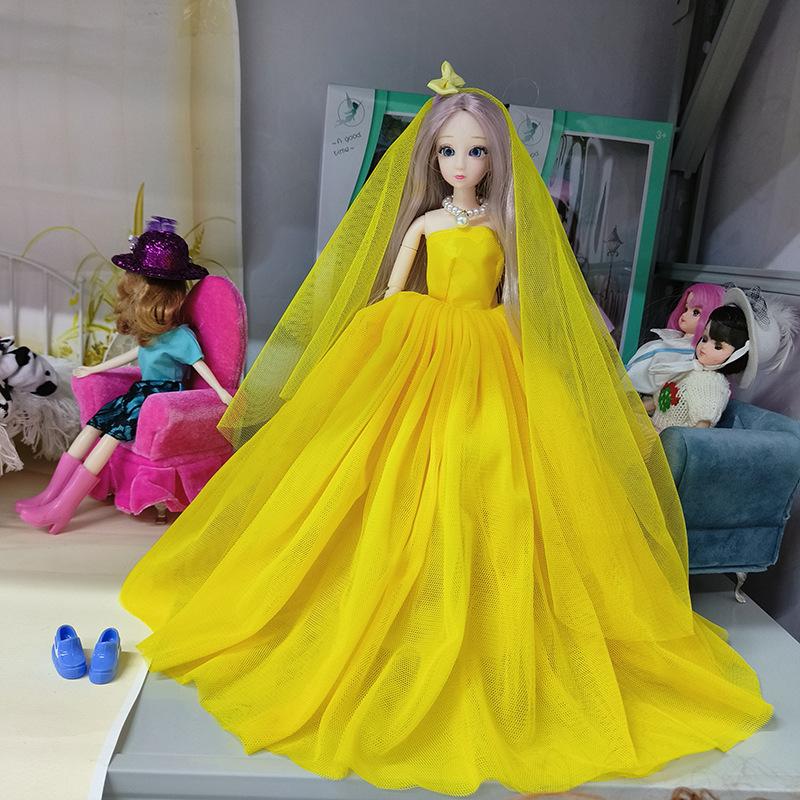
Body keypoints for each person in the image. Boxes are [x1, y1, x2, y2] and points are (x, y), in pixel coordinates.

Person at [118, 64, 772, 795]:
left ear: (494, 157)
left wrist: (580, 329)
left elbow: (535, 286)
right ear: (433, 157)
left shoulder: (505, 223)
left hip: (493, 347)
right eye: (449, 151)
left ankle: (491, 610)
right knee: (378, 467)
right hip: (419, 343)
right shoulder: (426, 223)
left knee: (500, 467)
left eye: (476, 151)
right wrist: (372, 340)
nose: (461, 163)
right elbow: (396, 288)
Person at [16, 217, 232, 534]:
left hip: (160, 398)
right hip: (140, 392)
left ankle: (63, 508)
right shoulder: (154, 332)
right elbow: (135, 356)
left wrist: (221, 391)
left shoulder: (181, 337)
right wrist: (95, 369)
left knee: (111, 437)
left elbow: (199, 365)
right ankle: (50, 496)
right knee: (93, 427)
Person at [625, 282, 725, 412]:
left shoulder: (694, 353)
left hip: (647, 400)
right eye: (685, 309)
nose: (684, 315)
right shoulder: (676, 342)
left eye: (696, 312)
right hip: (632, 391)